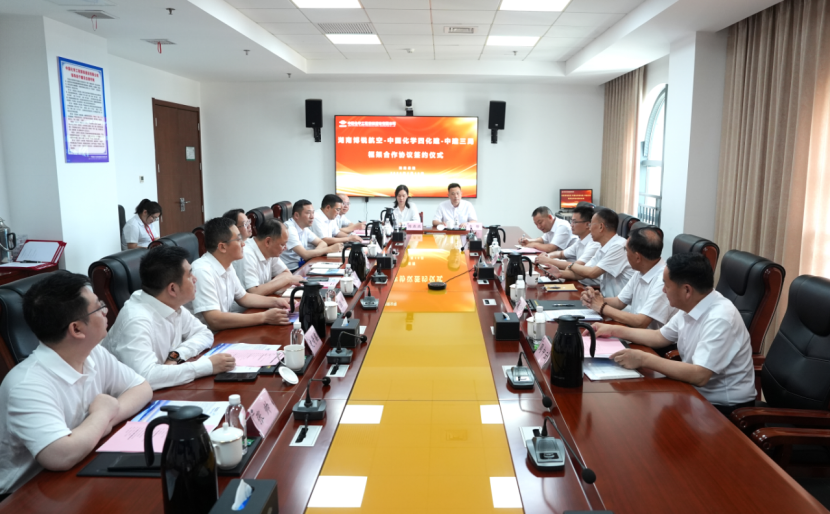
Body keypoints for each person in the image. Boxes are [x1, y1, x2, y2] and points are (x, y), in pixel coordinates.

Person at [0, 271, 152, 494]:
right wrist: (101, 414)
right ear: (77, 329)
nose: (105, 310)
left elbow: (141, 388)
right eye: (98, 307)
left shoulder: (93, 353)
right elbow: (61, 455)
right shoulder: (26, 385)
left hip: (80, 467)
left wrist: (100, 423)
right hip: (27, 494)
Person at [595, 252, 756, 416]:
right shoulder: (693, 304)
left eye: (666, 285)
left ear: (687, 290)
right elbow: (659, 337)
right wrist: (613, 330)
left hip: (723, 409)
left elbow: (700, 375)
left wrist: (644, 359)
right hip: (693, 394)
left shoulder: (720, 318)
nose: (663, 290)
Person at [103, 246, 235, 390]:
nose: (195, 278)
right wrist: (207, 366)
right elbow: (146, 377)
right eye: (189, 275)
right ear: (172, 289)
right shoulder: (136, 321)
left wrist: (175, 356)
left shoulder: (168, 303)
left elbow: (204, 333)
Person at [190, 217, 291, 331]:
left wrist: (276, 302)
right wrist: (264, 317)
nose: (243, 244)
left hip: (223, 331)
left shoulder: (227, 265)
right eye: (238, 240)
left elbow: (244, 297)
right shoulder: (202, 271)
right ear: (222, 247)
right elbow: (214, 320)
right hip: (207, 337)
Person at [580, 227, 676, 329]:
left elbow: (641, 322)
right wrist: (594, 299)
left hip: (647, 337)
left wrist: (602, 307)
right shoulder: (642, 270)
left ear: (637, 257)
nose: (625, 254)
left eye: (626, 250)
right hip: (635, 333)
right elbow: (619, 302)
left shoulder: (663, 280)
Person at [547, 208, 634, 297]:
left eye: (591, 224)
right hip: (605, 299)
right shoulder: (603, 247)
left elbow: (592, 273)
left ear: (601, 227)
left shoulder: (619, 246)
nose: (589, 228)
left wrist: (570, 265)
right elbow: (583, 273)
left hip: (618, 304)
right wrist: (560, 273)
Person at [238, 219, 304, 296]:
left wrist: (268, 287)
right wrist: (287, 280)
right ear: (268, 241)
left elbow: (286, 273)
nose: (285, 248)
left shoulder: (270, 250)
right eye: (282, 244)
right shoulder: (247, 254)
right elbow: (254, 292)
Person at [281, 200, 338, 271]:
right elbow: (305, 255)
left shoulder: (304, 227)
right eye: (308, 213)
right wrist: (330, 249)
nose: (312, 217)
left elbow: (322, 242)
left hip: (302, 265)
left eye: (313, 213)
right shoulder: (289, 229)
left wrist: (315, 253)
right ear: (296, 215)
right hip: (291, 270)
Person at [223, 209, 253, 288]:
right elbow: (249, 289)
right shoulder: (240, 253)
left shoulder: (252, 242)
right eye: (245, 224)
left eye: (249, 222)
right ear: (234, 228)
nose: (250, 226)